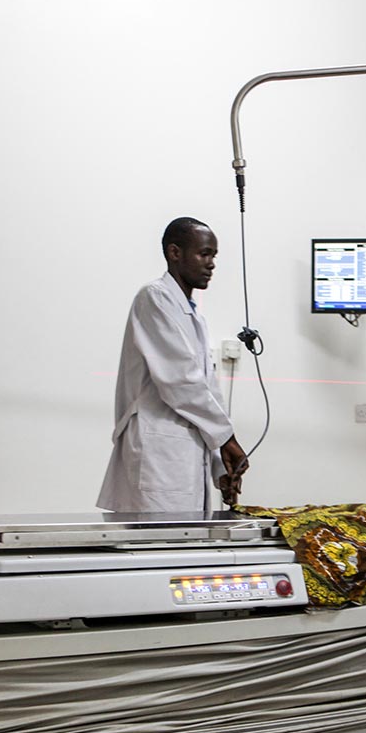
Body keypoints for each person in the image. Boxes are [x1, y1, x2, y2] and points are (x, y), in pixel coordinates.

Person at [97, 217, 248, 513]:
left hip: (183, 454)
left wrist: (220, 461)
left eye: (214, 256)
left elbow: (207, 390)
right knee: (161, 539)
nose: (211, 264)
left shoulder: (194, 317)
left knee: (187, 537)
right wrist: (226, 438)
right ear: (175, 253)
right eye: (204, 254)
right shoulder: (154, 298)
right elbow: (181, 381)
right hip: (159, 452)